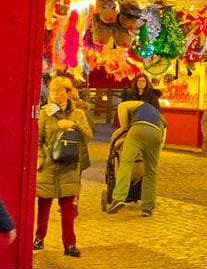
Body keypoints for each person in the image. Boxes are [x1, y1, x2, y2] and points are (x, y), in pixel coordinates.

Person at [34, 77, 93, 256]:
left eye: (60, 90)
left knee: (68, 206)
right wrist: (40, 161)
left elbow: (88, 136)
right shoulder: (45, 113)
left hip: (69, 166)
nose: (56, 94)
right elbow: (37, 140)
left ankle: (69, 244)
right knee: (44, 204)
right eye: (53, 90)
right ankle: (39, 238)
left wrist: (73, 126)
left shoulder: (78, 114)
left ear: (68, 93)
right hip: (49, 165)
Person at [107, 100, 167, 217]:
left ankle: (119, 197)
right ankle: (147, 207)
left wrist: (124, 127)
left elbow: (122, 106)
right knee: (151, 171)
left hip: (138, 130)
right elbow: (162, 140)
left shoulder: (140, 104)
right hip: (157, 133)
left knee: (126, 162)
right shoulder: (162, 118)